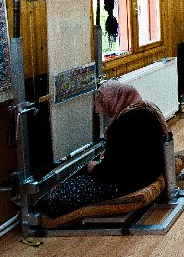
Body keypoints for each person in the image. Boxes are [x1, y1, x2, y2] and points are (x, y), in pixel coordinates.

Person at [35, 81, 167, 218]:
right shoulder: (146, 111)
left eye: (100, 104)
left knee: (55, 198)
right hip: (147, 174)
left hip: (128, 183)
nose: (97, 110)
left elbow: (115, 170)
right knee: (75, 182)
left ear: (113, 100)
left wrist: (95, 168)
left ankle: (38, 213)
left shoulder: (124, 124)